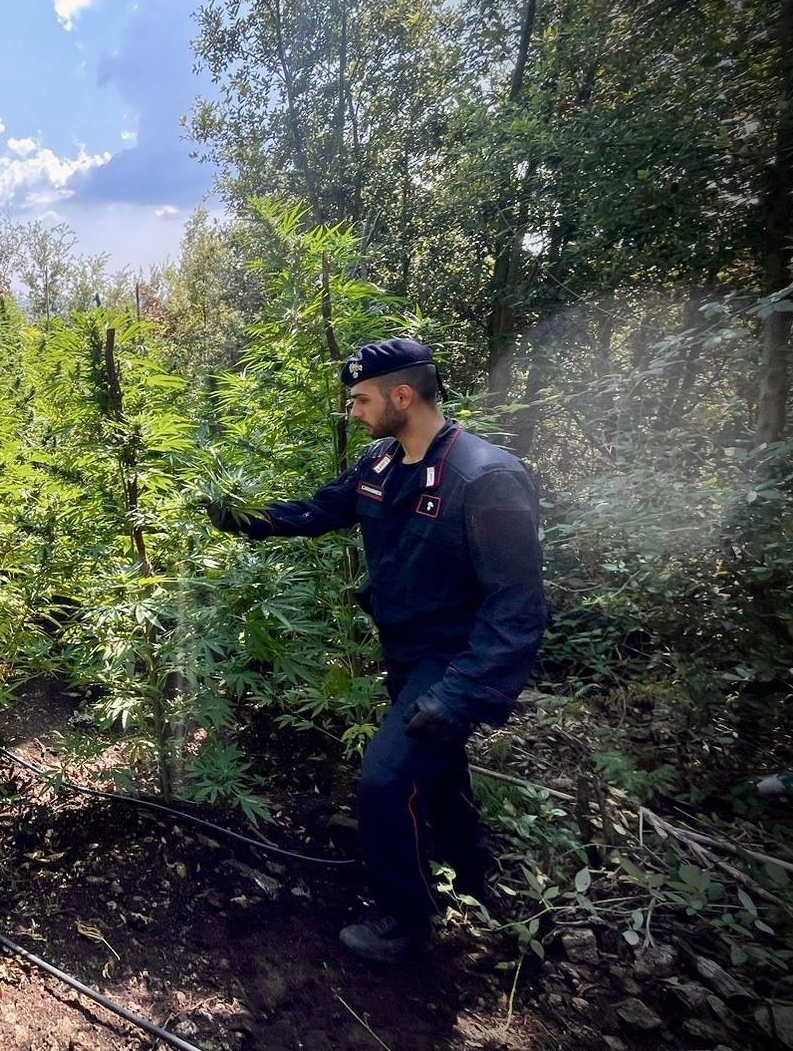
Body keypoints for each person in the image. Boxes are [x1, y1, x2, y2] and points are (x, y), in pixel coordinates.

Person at [204, 338, 545, 963]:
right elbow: (319, 510)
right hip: (406, 649)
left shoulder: (484, 477)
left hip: (453, 659)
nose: (353, 410)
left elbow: (516, 607)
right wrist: (241, 517)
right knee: (435, 766)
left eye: (361, 399)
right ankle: (471, 866)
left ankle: (405, 921)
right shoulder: (381, 465)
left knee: (385, 782)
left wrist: (460, 693)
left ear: (402, 395)